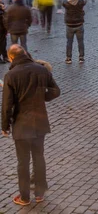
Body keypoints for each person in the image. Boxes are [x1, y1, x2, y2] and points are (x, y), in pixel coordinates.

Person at [1, 44, 61, 206]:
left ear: (11, 57)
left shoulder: (11, 76)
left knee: (23, 162)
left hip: (21, 124)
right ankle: (40, 193)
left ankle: (25, 197)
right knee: (39, 157)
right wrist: (43, 97)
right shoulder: (42, 70)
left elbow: (7, 105)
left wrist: (4, 126)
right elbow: (55, 91)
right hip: (40, 122)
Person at [62, 0, 86, 64]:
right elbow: (85, 0)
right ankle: (81, 57)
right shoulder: (81, 2)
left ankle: (68, 58)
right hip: (79, 24)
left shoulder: (66, 3)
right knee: (80, 41)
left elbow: (63, 1)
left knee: (69, 42)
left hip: (69, 24)